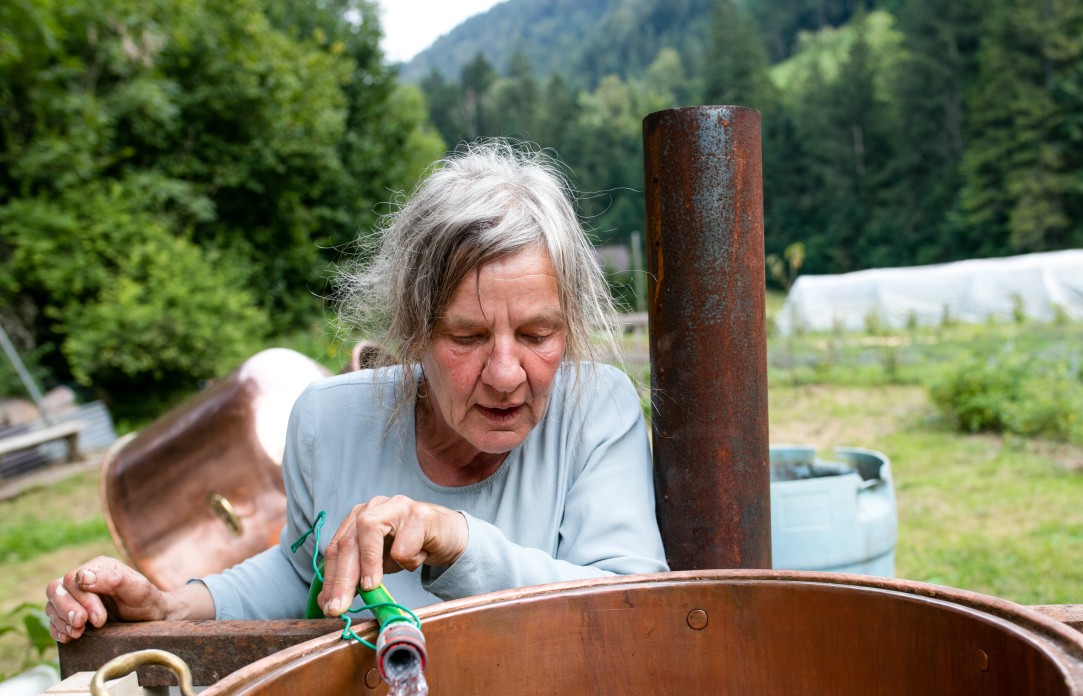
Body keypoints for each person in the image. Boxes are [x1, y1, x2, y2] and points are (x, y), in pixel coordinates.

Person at [45, 141, 668, 641]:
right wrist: (172, 606)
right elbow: (302, 569)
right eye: (467, 336)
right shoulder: (327, 421)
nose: (506, 373)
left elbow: (633, 610)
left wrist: (456, 540)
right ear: (414, 330)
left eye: (537, 333)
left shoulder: (594, 410)